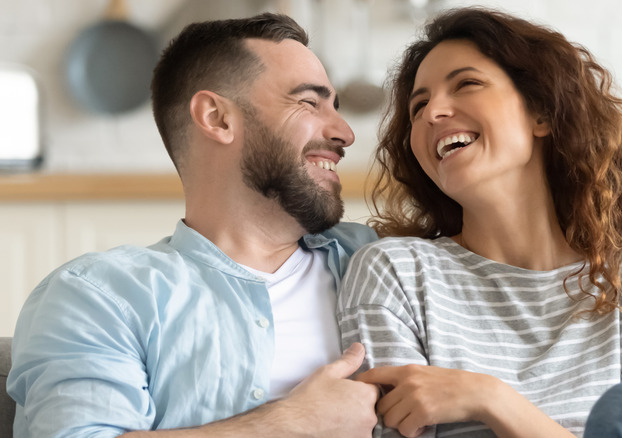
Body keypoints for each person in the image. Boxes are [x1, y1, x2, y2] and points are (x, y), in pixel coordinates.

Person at [337, 7, 622, 438]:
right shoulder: (394, 272)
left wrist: (491, 400)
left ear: (542, 115)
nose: (433, 111)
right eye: (418, 106)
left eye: (467, 84)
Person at [8, 13, 379, 437]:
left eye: (336, 106)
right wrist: (291, 424)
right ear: (217, 118)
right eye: (309, 103)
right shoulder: (99, 295)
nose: (345, 133)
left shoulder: (382, 260)